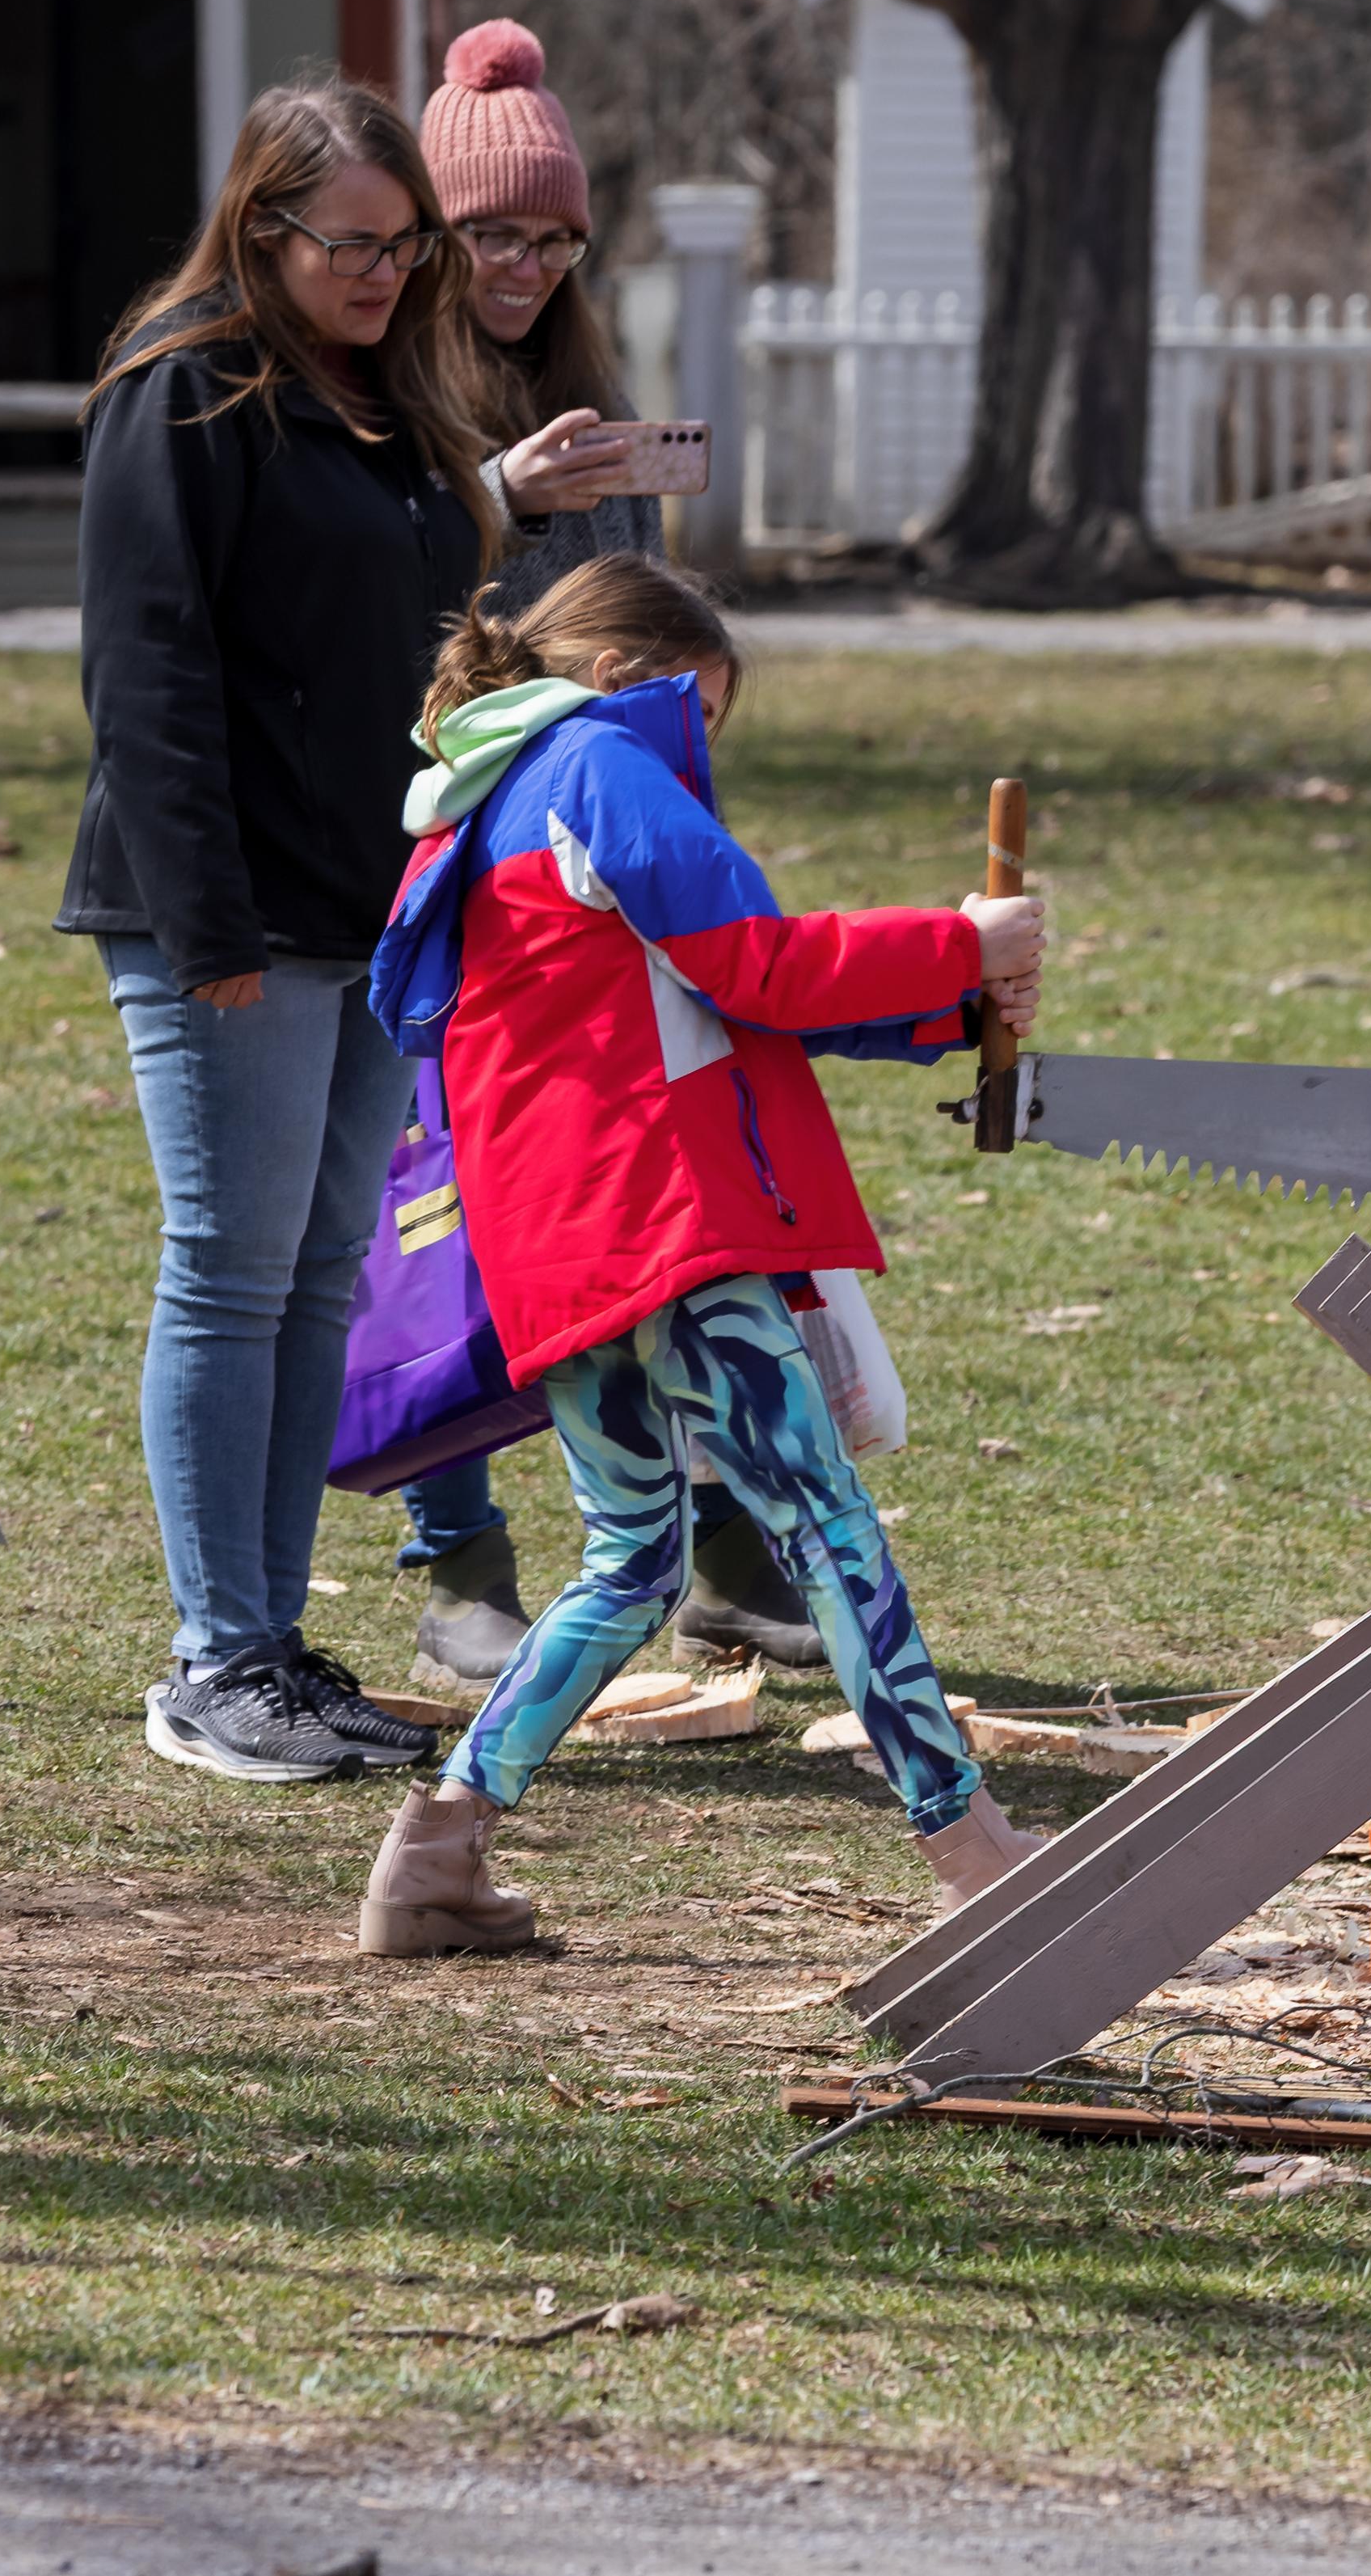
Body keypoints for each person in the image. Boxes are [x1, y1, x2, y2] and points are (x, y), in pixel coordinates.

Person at [349, 555, 1047, 1953]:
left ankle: (433, 1854)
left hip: (559, 1238)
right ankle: (973, 1849)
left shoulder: (490, 797)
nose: (703, 750)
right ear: (638, 676)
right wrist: (956, 944)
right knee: (824, 1522)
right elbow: (754, 964)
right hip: (660, 1221)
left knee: (634, 1555)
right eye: (705, 716)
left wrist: (948, 1002)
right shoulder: (603, 761)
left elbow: (698, 997)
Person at [61, 77, 499, 1785]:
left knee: (321, 1274)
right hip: (222, 912)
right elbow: (148, 676)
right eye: (353, 245)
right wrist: (207, 920)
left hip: (366, 904)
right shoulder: (180, 396)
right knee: (232, 1271)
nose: (386, 273)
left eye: (408, 244)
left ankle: (272, 1644)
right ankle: (213, 1663)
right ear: (265, 229)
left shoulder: (386, 404)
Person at [387, 17, 817, 1687]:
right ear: (433, 232)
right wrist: (496, 491)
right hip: (450, 853)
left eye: (554, 238)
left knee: (655, 1195)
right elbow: (381, 605)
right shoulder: (389, 397)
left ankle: (720, 1537)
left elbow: (622, 623)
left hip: (604, 861)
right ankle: (461, 1563)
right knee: (447, 1217)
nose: (525, 264)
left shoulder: (593, 388)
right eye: (495, 232)